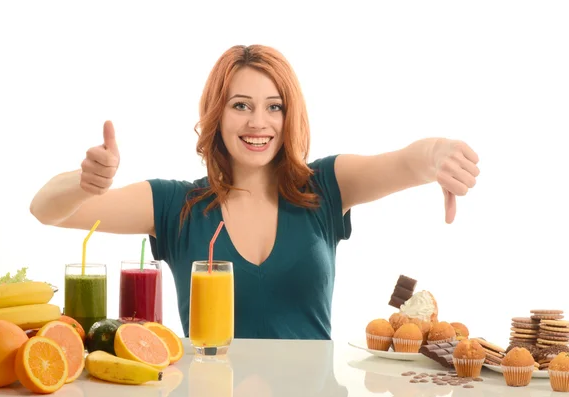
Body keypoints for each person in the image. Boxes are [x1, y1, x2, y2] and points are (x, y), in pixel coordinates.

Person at [30, 44, 480, 340]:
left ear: (290, 117)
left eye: (274, 107)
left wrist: (437, 155)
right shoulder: (176, 206)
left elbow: (404, 161)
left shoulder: (325, 187)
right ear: (216, 114)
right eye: (240, 105)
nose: (258, 123)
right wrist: (83, 182)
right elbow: (47, 210)